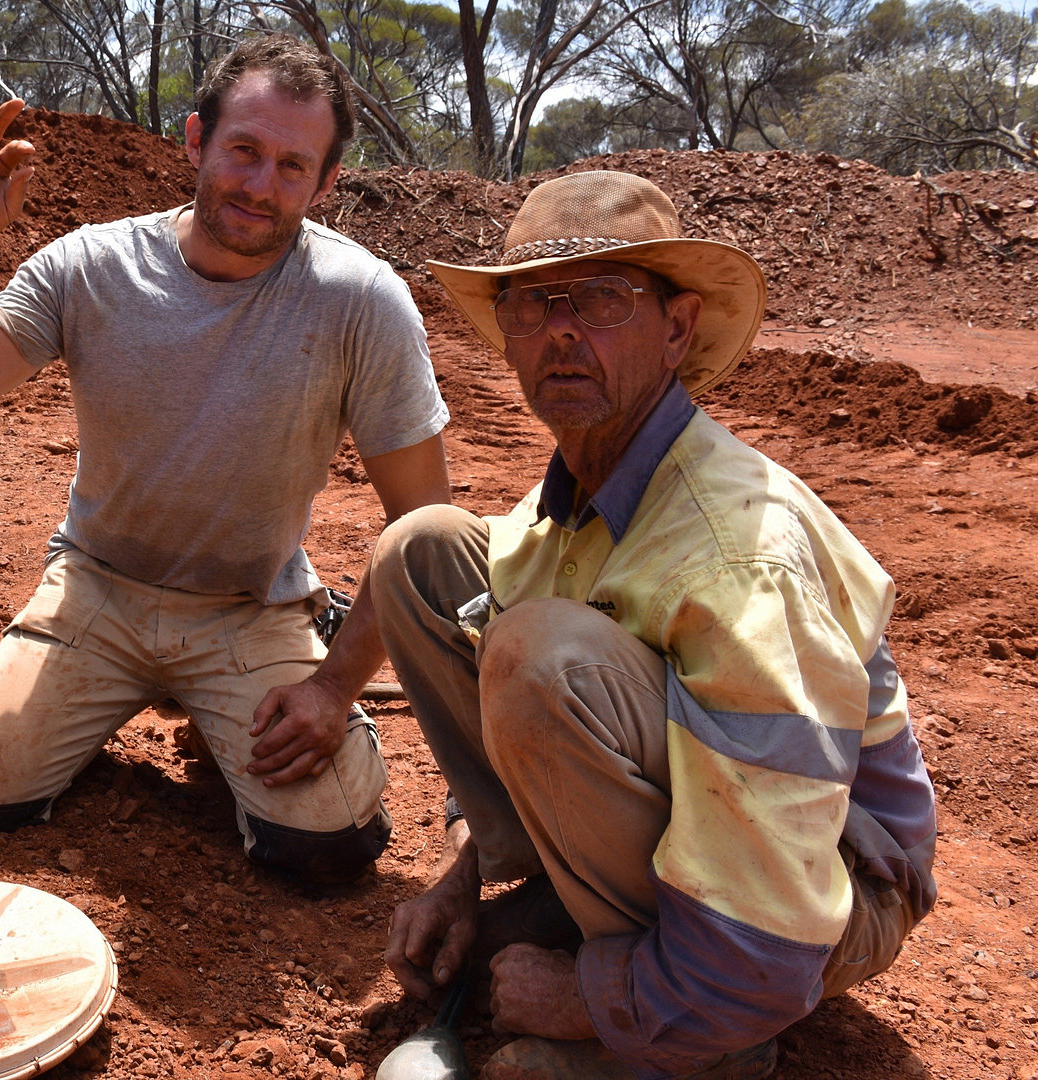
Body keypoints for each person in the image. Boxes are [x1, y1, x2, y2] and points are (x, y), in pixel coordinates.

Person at [367, 170, 936, 1079]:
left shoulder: (738, 553)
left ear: (676, 330)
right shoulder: (578, 491)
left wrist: (595, 999)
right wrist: (463, 875)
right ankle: (579, 896)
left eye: (601, 299)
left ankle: (706, 1036)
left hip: (820, 893)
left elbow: (783, 894)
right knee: (424, 553)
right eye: (531, 304)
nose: (560, 329)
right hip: (734, 834)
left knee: (537, 652)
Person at [0, 35, 452, 883]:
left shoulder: (361, 301)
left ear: (327, 183)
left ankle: (231, 699)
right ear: (195, 141)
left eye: (293, 167)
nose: (261, 186)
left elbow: (422, 527)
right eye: (243, 151)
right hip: (98, 587)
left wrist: (334, 688)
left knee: (328, 841)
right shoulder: (91, 266)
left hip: (247, 605)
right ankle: (43, 676)